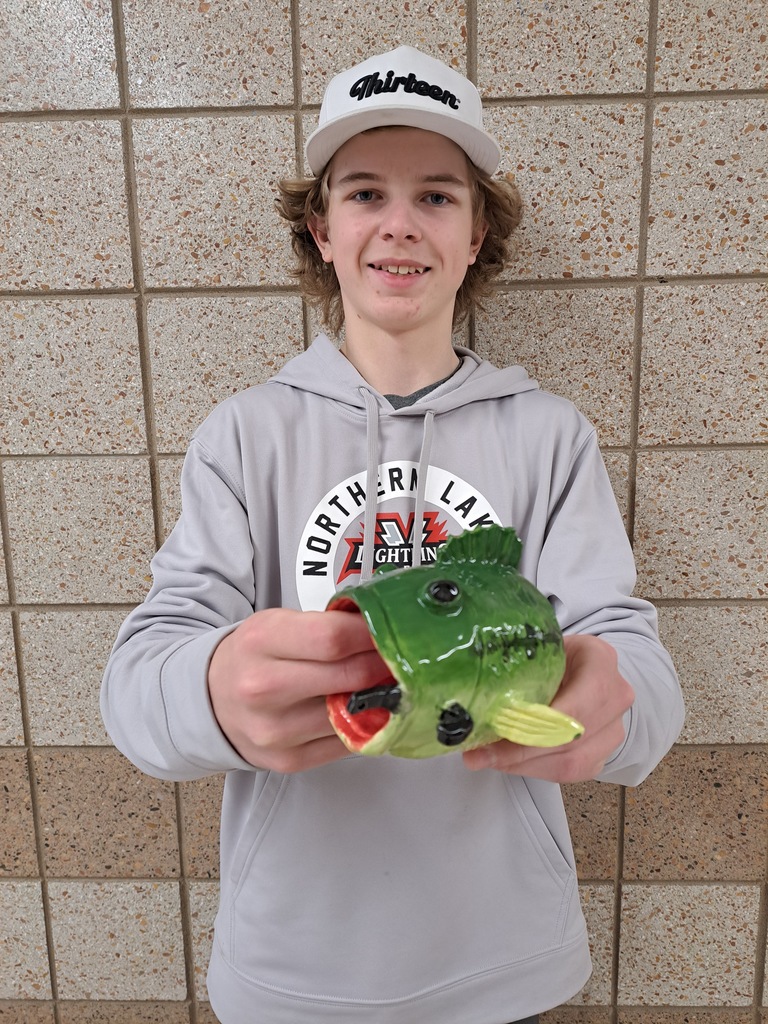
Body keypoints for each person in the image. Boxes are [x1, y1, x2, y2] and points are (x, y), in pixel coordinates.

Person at [101, 45, 684, 1024]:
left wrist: (617, 706)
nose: (400, 222)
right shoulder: (244, 435)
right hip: (291, 971)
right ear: (322, 230)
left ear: (476, 230)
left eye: (438, 196)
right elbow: (136, 683)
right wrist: (207, 690)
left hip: (508, 964)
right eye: (366, 192)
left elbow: (639, 669)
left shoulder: (549, 435)